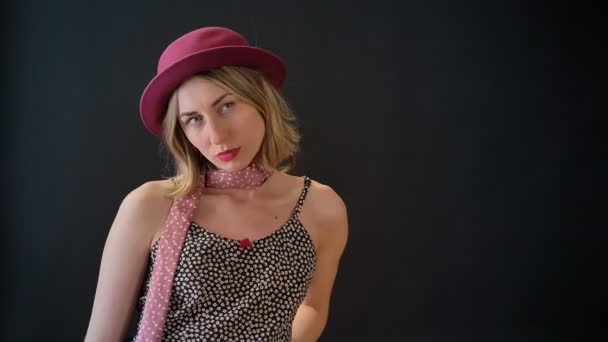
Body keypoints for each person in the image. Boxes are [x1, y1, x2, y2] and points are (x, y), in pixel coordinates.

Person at [85, 26, 349, 342]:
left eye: (227, 105)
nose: (216, 135)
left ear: (261, 102)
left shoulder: (321, 206)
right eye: (193, 119)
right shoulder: (151, 205)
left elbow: (314, 308)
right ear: (180, 132)